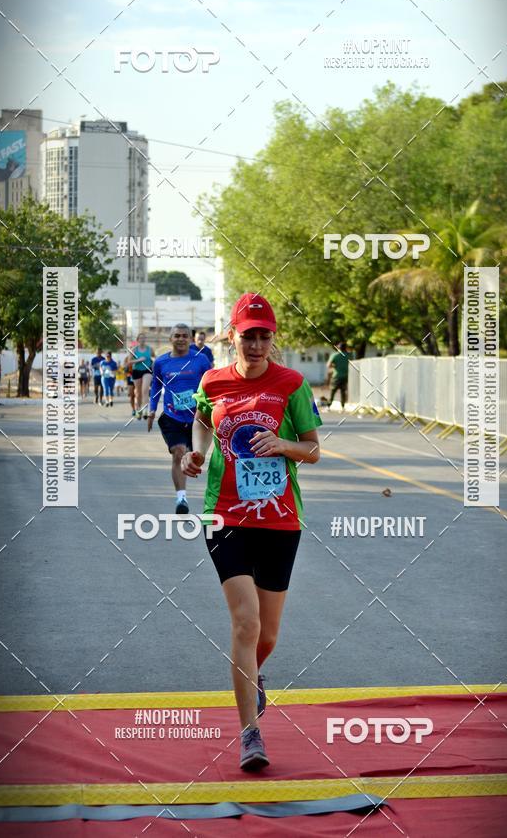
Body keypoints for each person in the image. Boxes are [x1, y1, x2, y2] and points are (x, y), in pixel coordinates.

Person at [182, 293, 322, 772]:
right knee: (245, 622)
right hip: (224, 515)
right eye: (248, 336)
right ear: (233, 337)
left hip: (280, 519)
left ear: (272, 338)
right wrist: (194, 453)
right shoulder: (213, 380)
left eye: (264, 336)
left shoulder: (293, 384)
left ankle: (254, 674)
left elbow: (313, 449)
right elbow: (201, 423)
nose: (257, 344)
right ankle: (249, 734)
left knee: (267, 632)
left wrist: (282, 443)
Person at [147, 324, 212, 513]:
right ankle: (181, 499)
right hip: (172, 416)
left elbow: (210, 385)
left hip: (197, 419)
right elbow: (155, 388)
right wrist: (151, 410)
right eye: (177, 336)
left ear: (190, 339)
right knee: (178, 451)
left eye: (185, 336)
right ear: (171, 339)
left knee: (194, 457)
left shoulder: (201, 360)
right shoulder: (161, 362)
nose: (181, 339)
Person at [131, 333, 154, 420]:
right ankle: (138, 410)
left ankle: (145, 410)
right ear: (137, 340)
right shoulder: (134, 350)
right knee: (138, 393)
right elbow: (129, 361)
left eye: (144, 338)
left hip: (147, 370)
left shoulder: (150, 349)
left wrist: (154, 361)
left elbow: (154, 357)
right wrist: (138, 360)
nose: (142, 340)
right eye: (141, 338)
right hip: (136, 371)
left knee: (145, 390)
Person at [326, 341, 351, 411]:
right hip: (345, 376)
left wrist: (335, 366)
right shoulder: (348, 355)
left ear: (338, 348)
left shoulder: (335, 355)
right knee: (343, 392)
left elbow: (328, 365)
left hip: (336, 376)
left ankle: (329, 406)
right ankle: (343, 406)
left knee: (332, 391)